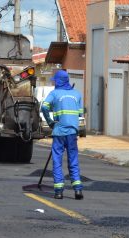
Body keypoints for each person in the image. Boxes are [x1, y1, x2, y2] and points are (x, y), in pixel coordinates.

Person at [41, 70, 84, 200]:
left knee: (57, 161)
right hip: (72, 132)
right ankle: (77, 190)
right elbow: (80, 114)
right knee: (73, 160)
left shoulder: (54, 93)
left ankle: (59, 191)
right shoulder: (77, 94)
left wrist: (50, 122)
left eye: (55, 80)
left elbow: (44, 107)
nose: (54, 82)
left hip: (59, 132)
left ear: (59, 81)